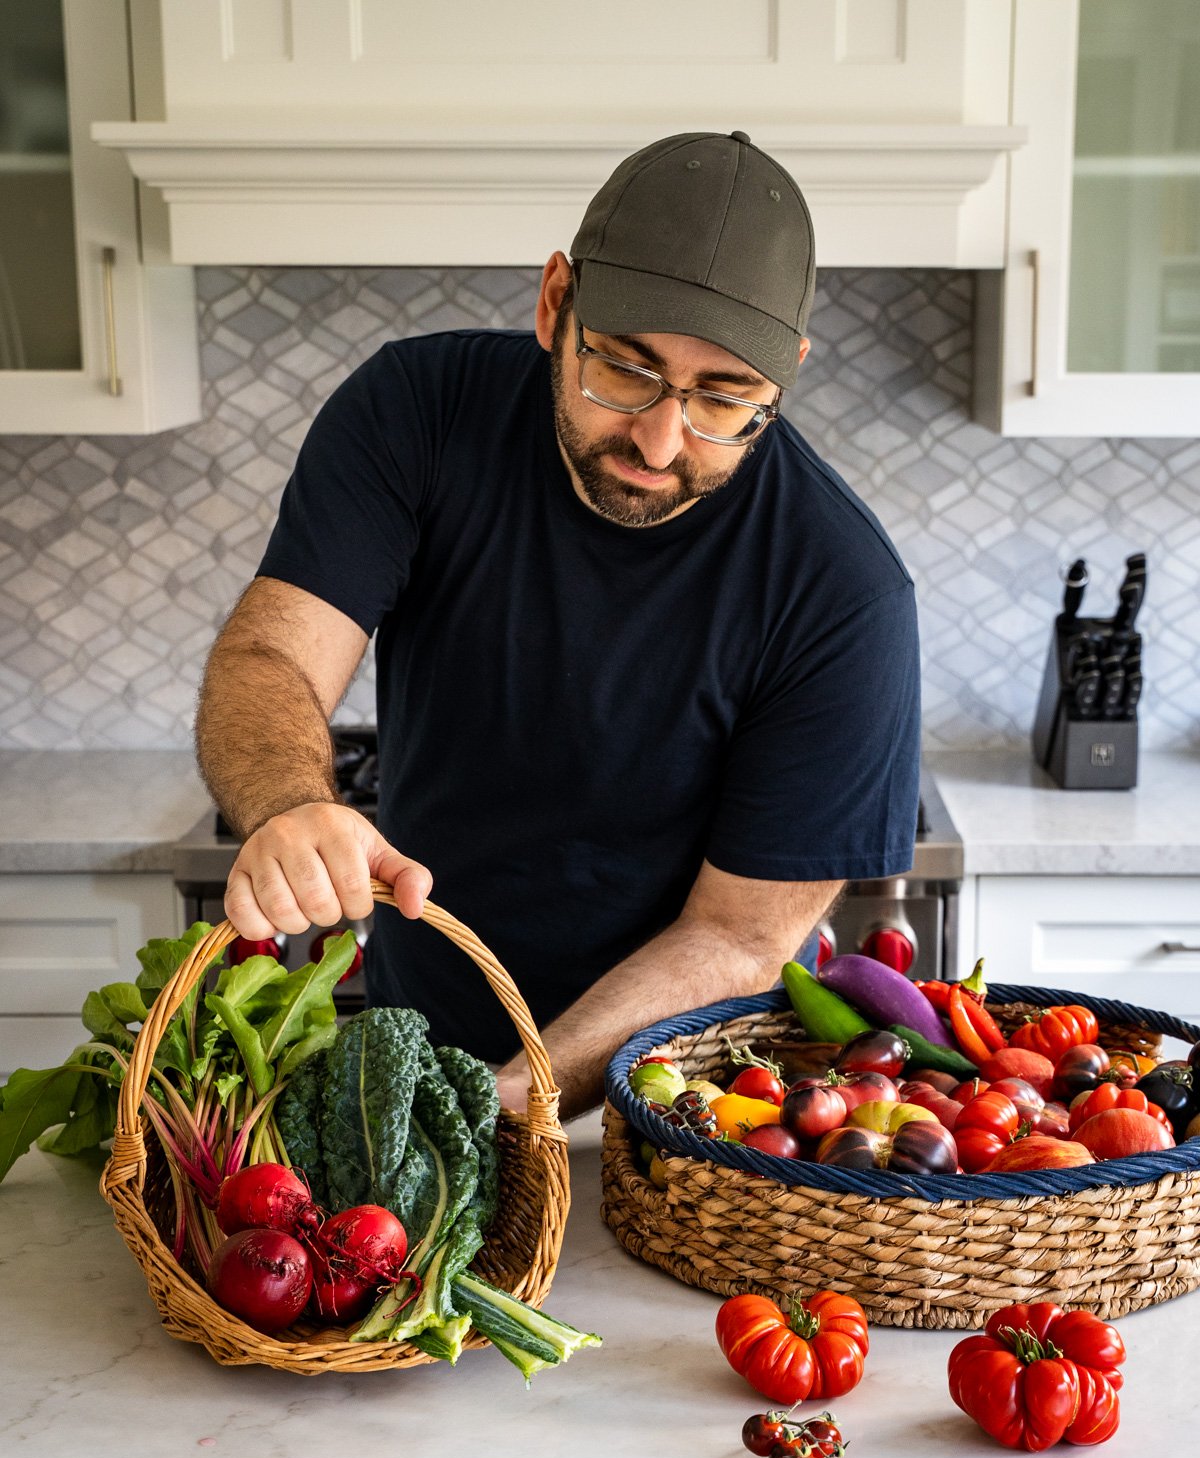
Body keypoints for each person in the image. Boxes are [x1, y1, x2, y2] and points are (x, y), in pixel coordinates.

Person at [195, 130, 921, 1120]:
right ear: (554, 304)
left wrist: (517, 1102)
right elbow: (273, 649)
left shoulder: (840, 589)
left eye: (725, 400)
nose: (663, 442)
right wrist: (289, 806)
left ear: (785, 375)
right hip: (426, 1059)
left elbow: (739, 939)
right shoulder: (420, 412)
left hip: (686, 1105)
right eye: (625, 371)